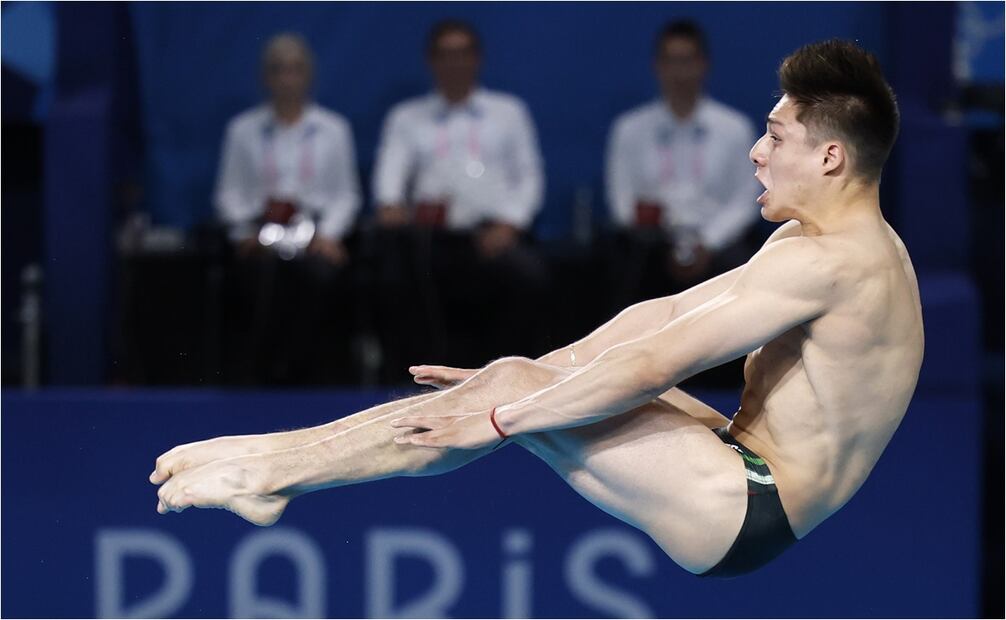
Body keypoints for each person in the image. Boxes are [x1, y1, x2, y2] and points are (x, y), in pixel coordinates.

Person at [151, 39, 923, 578]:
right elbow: (659, 319)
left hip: (748, 503)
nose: (757, 151)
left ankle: (271, 471)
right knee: (515, 378)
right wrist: (535, 378)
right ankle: (271, 466)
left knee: (509, 395)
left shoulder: (832, 264)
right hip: (740, 464)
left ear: (830, 156)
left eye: (775, 135)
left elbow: (661, 363)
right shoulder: (819, 240)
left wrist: (501, 415)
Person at [368, 19, 548, 378]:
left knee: (529, 278)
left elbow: (529, 179)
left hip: (491, 237)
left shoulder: (508, 113)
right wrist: (390, 205)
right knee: (394, 277)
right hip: (429, 240)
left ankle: (509, 382)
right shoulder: (407, 118)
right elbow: (390, 175)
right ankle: (407, 382)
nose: (455, 63)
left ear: (477, 59)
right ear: (431, 61)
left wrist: (510, 225)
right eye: (446, 55)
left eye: (463, 53)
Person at [213, 33, 362, 384]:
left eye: (295, 69)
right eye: (278, 70)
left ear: (308, 75)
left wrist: (330, 235)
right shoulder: (243, 130)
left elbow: (346, 195)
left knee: (320, 280)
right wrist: (244, 232)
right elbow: (228, 194)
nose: (287, 78)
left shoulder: (333, 129)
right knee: (258, 281)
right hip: (260, 236)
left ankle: (309, 377)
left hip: (315, 237)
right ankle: (261, 378)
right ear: (266, 77)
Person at [605, 20, 761, 310]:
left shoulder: (734, 128)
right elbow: (621, 201)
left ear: (703, 64)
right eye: (671, 61)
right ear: (658, 65)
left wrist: (708, 242)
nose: (679, 72)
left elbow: (745, 199)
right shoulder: (629, 129)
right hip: (653, 242)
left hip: (716, 242)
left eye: (687, 60)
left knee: (743, 267)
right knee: (626, 263)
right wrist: (668, 239)